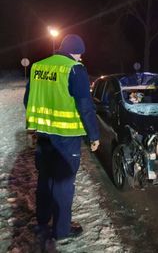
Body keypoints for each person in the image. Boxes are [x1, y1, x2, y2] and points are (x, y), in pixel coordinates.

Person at [24, 34, 100, 241]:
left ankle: (41, 222)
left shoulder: (38, 66)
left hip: (43, 134)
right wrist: (94, 135)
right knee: (64, 184)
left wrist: (36, 125)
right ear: (76, 52)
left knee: (45, 179)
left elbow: (27, 100)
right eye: (80, 54)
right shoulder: (75, 69)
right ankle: (61, 231)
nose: (81, 58)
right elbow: (85, 106)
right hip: (66, 138)